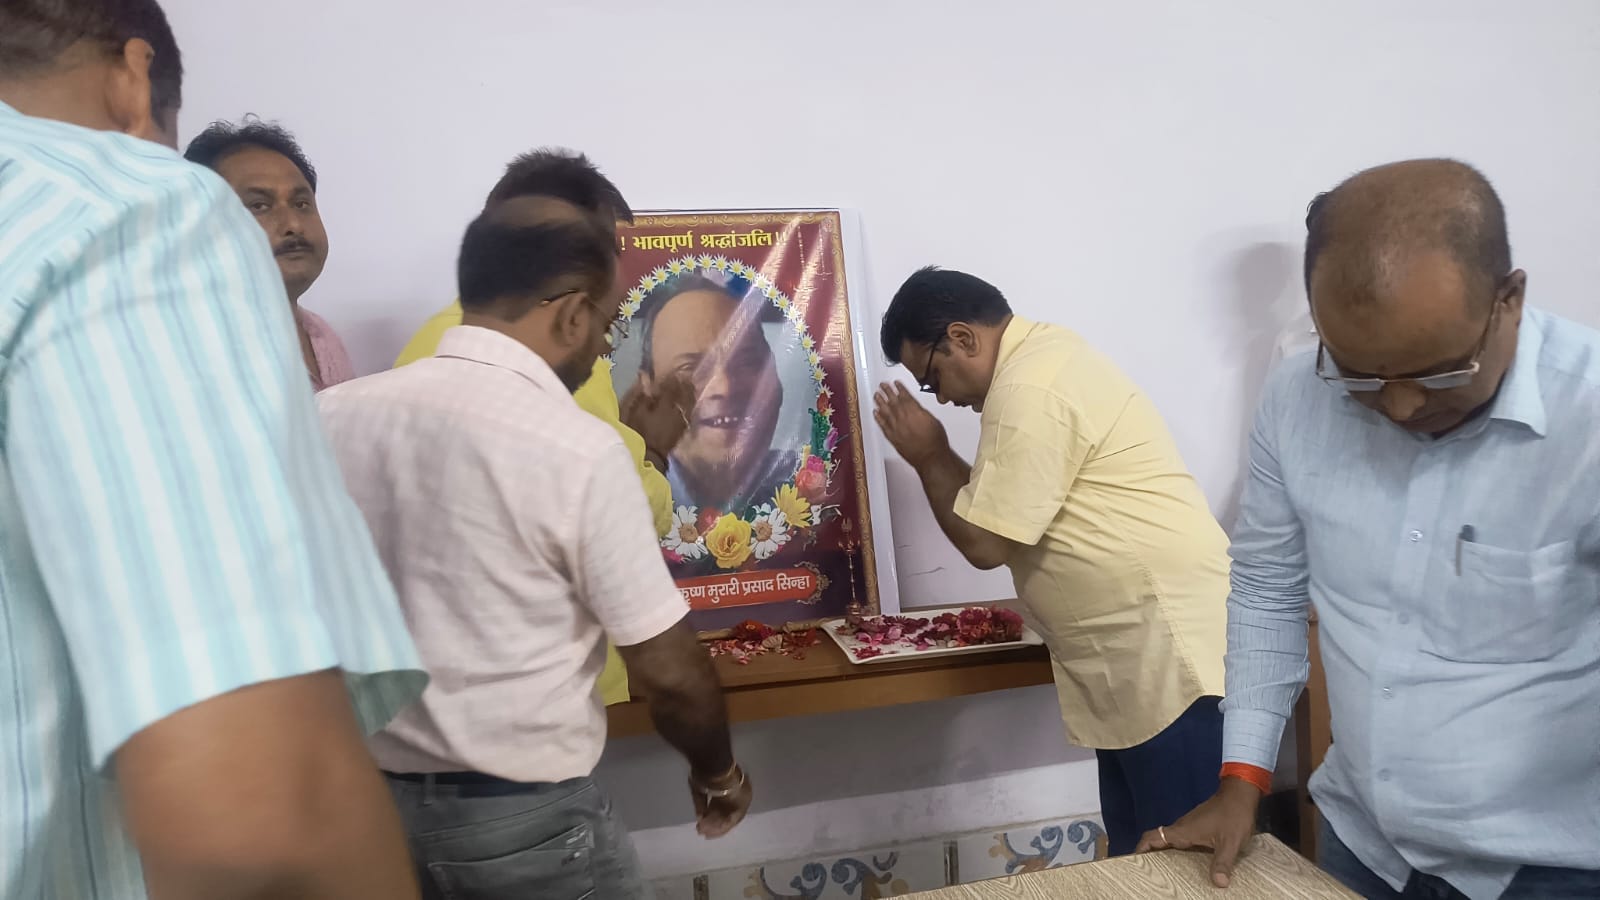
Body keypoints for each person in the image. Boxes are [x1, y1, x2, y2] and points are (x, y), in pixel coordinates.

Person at [0, 2, 429, 898]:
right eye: (256, 206)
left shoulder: (330, 347)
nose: (285, 224)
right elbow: (257, 807)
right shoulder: (127, 209)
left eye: (301, 201)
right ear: (133, 79)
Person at [1139, 159, 1600, 900]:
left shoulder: (1588, 417)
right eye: (1359, 376)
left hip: (1550, 866)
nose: (1401, 407)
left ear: (1509, 300)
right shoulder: (1296, 397)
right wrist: (1243, 777)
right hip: (1364, 846)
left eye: (1441, 373)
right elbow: (1266, 588)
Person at [318, 207, 752, 899]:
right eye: (608, 327)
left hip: (363, 813)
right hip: (520, 824)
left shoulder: (330, 417)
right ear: (574, 315)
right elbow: (669, 669)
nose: (603, 350)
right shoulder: (575, 448)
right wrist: (717, 772)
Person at [872, 267, 1230, 857]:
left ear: (962, 337)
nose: (945, 398)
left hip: (1166, 662)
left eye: (933, 379)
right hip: (1136, 662)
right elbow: (990, 511)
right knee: (1142, 862)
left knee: (1186, 865)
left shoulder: (1031, 388)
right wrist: (933, 455)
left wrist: (930, 454)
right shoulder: (1037, 368)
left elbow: (984, 545)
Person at [395, 149, 691, 707]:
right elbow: (618, 519)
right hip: (540, 700)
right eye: (604, 249)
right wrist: (652, 448)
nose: (615, 273)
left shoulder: (437, 340)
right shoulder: (539, 357)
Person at [184, 117, 353, 390]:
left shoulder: (322, 336)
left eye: (301, 203)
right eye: (259, 206)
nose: (293, 225)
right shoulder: (188, 351)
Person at [631, 271, 793, 512]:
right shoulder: (616, 499)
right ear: (648, 391)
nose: (724, 387)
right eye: (690, 368)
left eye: (746, 362)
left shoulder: (818, 482)